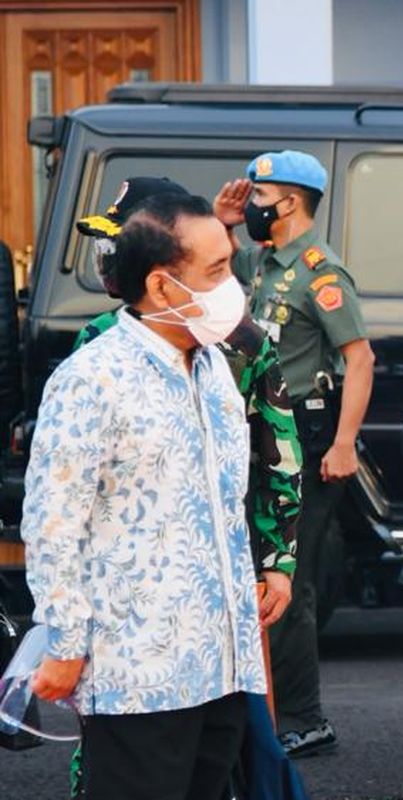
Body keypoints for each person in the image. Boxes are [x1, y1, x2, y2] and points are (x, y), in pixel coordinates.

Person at [22, 192, 267, 800]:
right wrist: (64, 643)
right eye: (215, 272)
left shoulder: (214, 368)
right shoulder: (91, 379)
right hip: (138, 674)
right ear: (162, 287)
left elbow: (226, 511)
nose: (230, 286)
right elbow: (53, 523)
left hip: (220, 666)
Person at [70, 176, 305, 796]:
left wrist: (274, 562)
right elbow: (68, 508)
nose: (107, 259)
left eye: (115, 241)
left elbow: (277, 453)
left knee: (231, 748)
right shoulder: (100, 352)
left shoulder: (241, 342)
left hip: (225, 590)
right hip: (134, 623)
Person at [213, 150, 376, 758]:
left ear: (292, 202)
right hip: (259, 432)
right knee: (260, 575)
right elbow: (211, 272)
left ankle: (305, 719)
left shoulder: (320, 273)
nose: (254, 203)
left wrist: (342, 443)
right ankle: (265, 708)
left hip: (306, 436)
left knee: (292, 580)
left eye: (262, 196)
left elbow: (359, 360)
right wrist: (224, 222)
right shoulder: (260, 262)